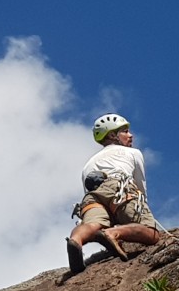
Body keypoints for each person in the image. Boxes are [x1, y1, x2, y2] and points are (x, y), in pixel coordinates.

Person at [66, 113, 161, 274]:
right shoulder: (133, 153)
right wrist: (141, 210)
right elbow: (140, 185)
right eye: (125, 131)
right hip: (121, 188)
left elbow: (88, 192)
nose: (130, 135)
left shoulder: (89, 164)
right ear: (112, 135)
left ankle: (76, 240)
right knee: (152, 233)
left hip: (92, 197)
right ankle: (112, 233)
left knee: (93, 225)